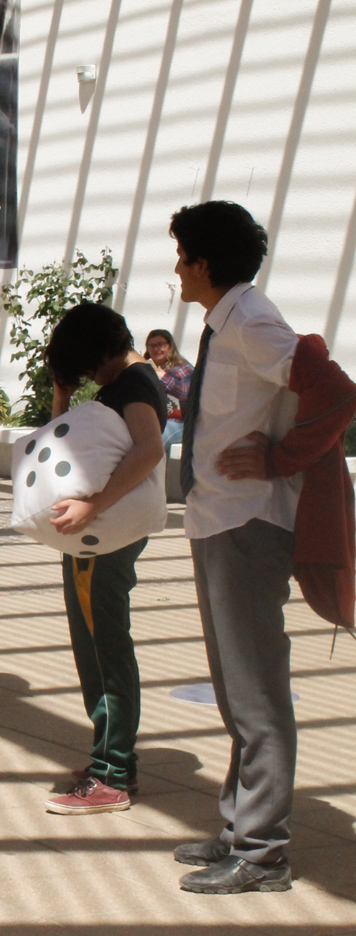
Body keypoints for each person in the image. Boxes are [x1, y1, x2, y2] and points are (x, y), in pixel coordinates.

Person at [170, 200, 313, 893]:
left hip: (250, 525)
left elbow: (337, 392)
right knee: (235, 690)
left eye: (181, 256)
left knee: (256, 693)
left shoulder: (254, 320)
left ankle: (263, 853)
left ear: (204, 262)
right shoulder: (228, 322)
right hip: (218, 520)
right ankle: (239, 827)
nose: (175, 269)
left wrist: (282, 459)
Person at [40, 304, 166, 814]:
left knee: (103, 645)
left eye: (87, 365)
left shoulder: (132, 385)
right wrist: (62, 394)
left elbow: (150, 448)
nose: (90, 376)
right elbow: (62, 440)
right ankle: (111, 760)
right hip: (103, 537)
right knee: (96, 640)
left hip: (105, 539)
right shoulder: (131, 379)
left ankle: (112, 771)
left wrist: (94, 504)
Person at [145, 328, 193, 447]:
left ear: (170, 346)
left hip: (180, 423)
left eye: (161, 345)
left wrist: (163, 378)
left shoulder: (183, 368)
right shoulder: (146, 369)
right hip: (154, 421)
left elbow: (188, 394)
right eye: (152, 345)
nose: (157, 349)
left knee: (156, 439)